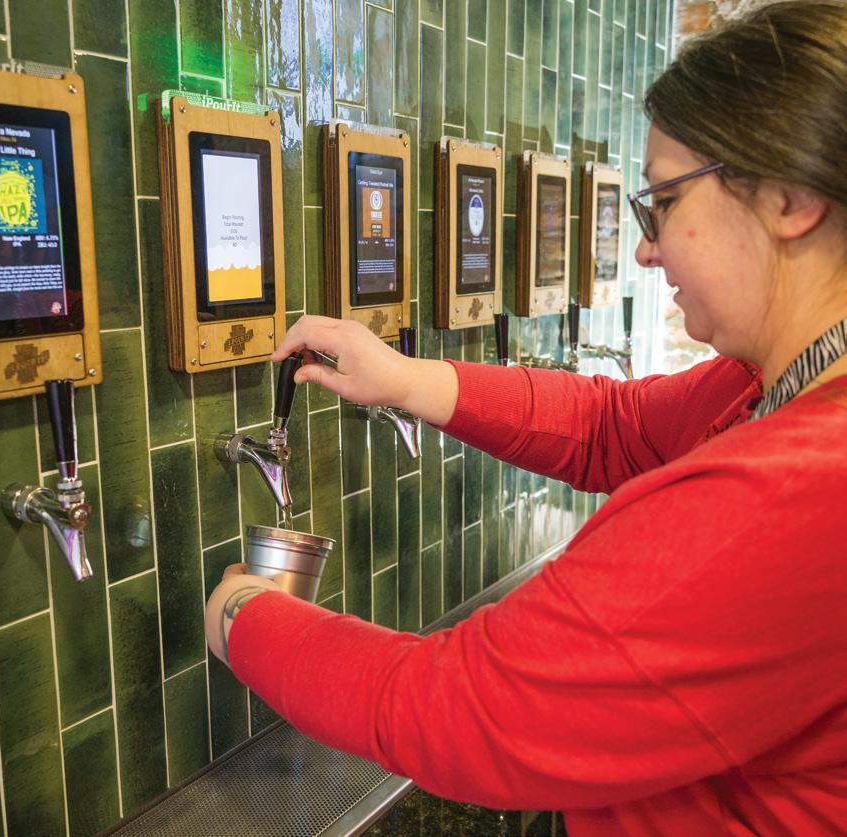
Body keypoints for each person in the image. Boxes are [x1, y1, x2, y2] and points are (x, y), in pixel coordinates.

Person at [205, 3, 847, 833]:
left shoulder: (796, 491)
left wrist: (244, 616)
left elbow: (463, 709)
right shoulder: (771, 385)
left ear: (789, 197)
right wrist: (405, 377)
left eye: (662, 200)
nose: (646, 247)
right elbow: (616, 426)